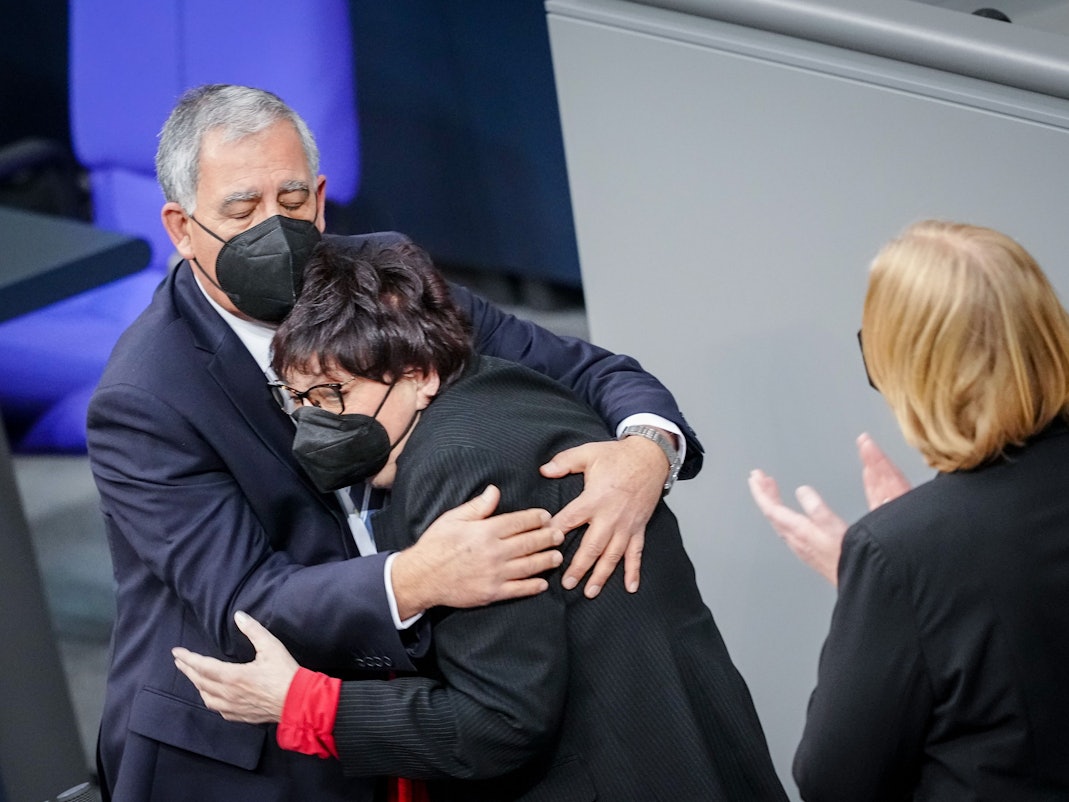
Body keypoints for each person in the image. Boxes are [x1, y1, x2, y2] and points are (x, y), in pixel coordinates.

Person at [86, 84, 704, 802]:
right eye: (241, 209)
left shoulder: (388, 278)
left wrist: (645, 453)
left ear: (320, 198)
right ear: (181, 226)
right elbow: (247, 601)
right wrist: (416, 579)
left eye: (291, 202)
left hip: (421, 717)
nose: (273, 226)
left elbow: (591, 371)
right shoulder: (146, 396)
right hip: (250, 744)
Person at [172, 237, 786, 801]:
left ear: (420, 375)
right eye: (300, 400)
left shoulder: (452, 467)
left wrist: (300, 702)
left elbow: (500, 722)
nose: (318, 424)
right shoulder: (499, 391)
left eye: (336, 395)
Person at [749, 220, 1069, 799]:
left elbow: (832, 784)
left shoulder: (899, 555)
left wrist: (872, 578)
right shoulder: (913, 546)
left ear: (910, 367)